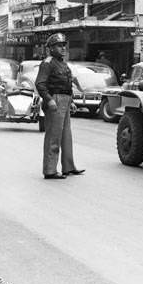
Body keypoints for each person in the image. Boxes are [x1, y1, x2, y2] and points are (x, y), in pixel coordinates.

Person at [35, 33, 84, 180]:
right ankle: (50, 170)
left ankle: (68, 167)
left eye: (64, 45)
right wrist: (49, 100)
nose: (63, 48)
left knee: (66, 136)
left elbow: (66, 83)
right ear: (51, 48)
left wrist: (72, 102)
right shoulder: (48, 63)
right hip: (55, 101)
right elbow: (40, 84)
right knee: (53, 137)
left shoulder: (62, 63)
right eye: (59, 45)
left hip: (65, 100)